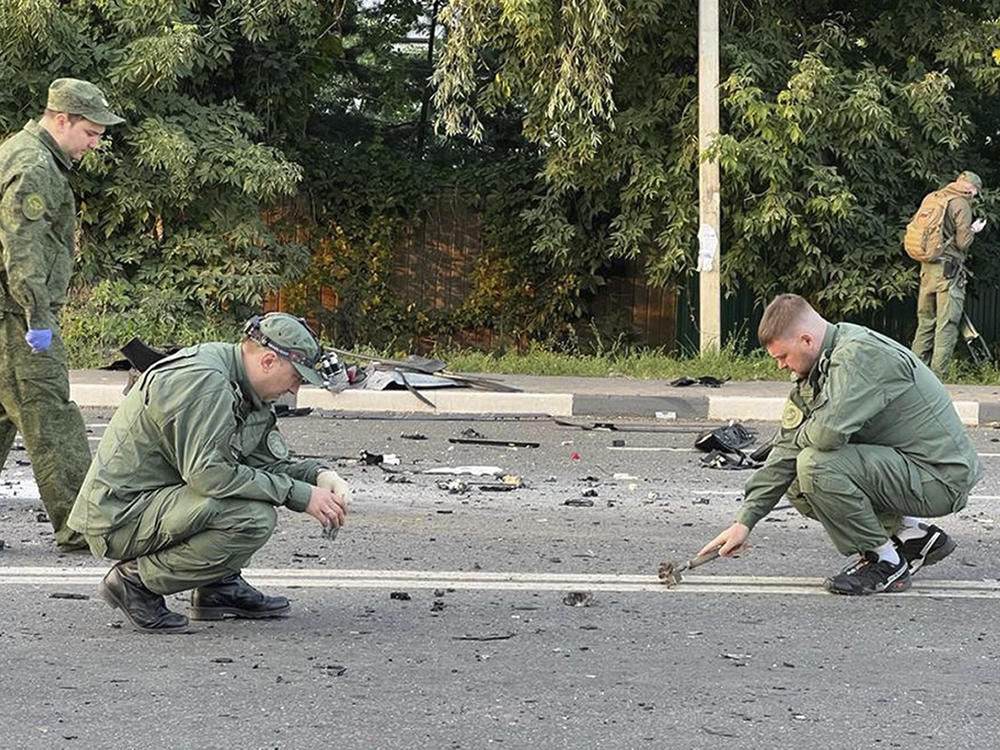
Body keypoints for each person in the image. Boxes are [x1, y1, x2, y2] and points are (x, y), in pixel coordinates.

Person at [68, 313, 353, 632]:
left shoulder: (243, 384)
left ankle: (218, 587)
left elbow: (261, 463)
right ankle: (135, 582)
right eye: (296, 377)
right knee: (251, 518)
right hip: (120, 516)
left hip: (157, 502)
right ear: (269, 361)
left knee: (248, 497)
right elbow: (210, 476)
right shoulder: (207, 382)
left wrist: (319, 476)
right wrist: (298, 495)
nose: (295, 388)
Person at [699, 294, 981, 595]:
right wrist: (744, 522)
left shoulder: (859, 356)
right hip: (909, 468)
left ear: (806, 340)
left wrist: (799, 438)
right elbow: (785, 449)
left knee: (815, 465)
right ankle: (910, 535)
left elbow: (825, 436)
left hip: (940, 477)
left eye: (783, 357)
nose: (781, 366)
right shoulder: (819, 367)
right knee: (795, 475)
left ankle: (885, 561)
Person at [0, 78, 125, 551]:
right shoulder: (34, 165)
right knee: (52, 417)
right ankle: (82, 526)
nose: (94, 143)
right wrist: (37, 318)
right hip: (16, 317)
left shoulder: (22, 151)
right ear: (61, 120)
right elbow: (23, 248)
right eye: (90, 132)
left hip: (8, 312)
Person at [910, 170, 986, 378]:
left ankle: (915, 376)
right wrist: (972, 230)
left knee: (925, 322)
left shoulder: (934, 197)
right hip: (948, 272)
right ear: (971, 189)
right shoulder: (961, 204)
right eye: (975, 193)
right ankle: (937, 379)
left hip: (927, 268)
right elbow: (963, 242)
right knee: (947, 324)